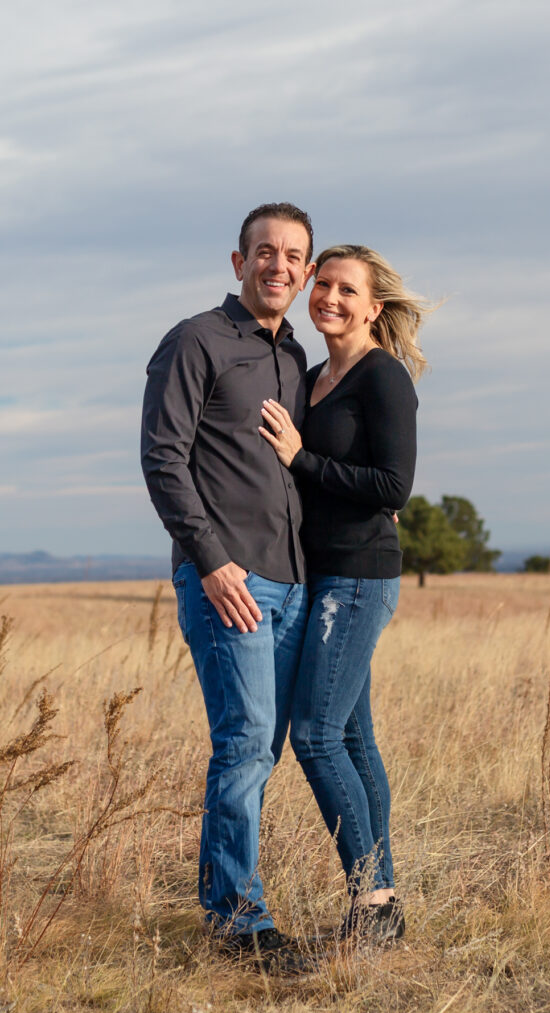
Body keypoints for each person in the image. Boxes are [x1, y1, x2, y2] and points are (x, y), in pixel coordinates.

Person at [140, 202, 316, 972]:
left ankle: (232, 898)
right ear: (237, 262)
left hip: (291, 583)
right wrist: (211, 561)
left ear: (306, 272)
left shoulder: (294, 355)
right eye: (265, 252)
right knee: (242, 747)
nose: (279, 266)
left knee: (260, 751)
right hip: (228, 583)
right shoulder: (195, 341)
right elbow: (162, 458)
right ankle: (239, 922)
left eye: (293, 256)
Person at [259, 244, 429, 943]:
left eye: (345, 289)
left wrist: (301, 458)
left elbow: (393, 488)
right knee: (354, 738)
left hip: (358, 575)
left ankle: (373, 901)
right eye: (321, 284)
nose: (327, 297)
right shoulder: (313, 376)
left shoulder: (381, 377)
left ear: (373, 307)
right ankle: (381, 905)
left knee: (318, 736)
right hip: (319, 570)